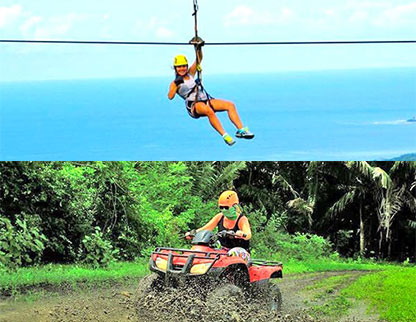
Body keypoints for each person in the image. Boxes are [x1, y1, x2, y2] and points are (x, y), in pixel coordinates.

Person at [167, 43, 254, 146]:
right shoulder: (174, 83)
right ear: (175, 68)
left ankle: (241, 130)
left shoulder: (190, 73)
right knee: (209, 111)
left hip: (205, 99)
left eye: (184, 66)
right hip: (194, 105)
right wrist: (177, 82)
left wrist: (198, 47)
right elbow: (170, 96)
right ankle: (225, 135)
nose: (182, 69)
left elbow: (199, 59)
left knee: (230, 105)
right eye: (179, 67)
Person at [186, 190, 251, 252]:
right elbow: (206, 228)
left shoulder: (242, 219)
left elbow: (248, 234)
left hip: (239, 253)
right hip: (223, 251)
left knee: (233, 253)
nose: (223, 210)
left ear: (234, 206)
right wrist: (193, 233)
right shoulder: (220, 216)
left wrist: (242, 234)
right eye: (221, 207)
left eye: (226, 207)